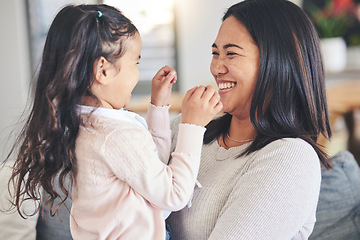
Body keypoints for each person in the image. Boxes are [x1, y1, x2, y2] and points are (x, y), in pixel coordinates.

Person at [3, 4, 222, 240]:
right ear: (103, 71)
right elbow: (174, 194)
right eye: (135, 63)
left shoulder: (84, 124)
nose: (138, 74)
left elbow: (149, 166)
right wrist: (193, 124)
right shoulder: (114, 134)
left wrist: (158, 106)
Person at [167, 0, 332, 239]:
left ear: (277, 61)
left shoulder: (290, 158)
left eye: (231, 54)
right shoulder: (189, 129)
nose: (216, 68)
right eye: (215, 53)